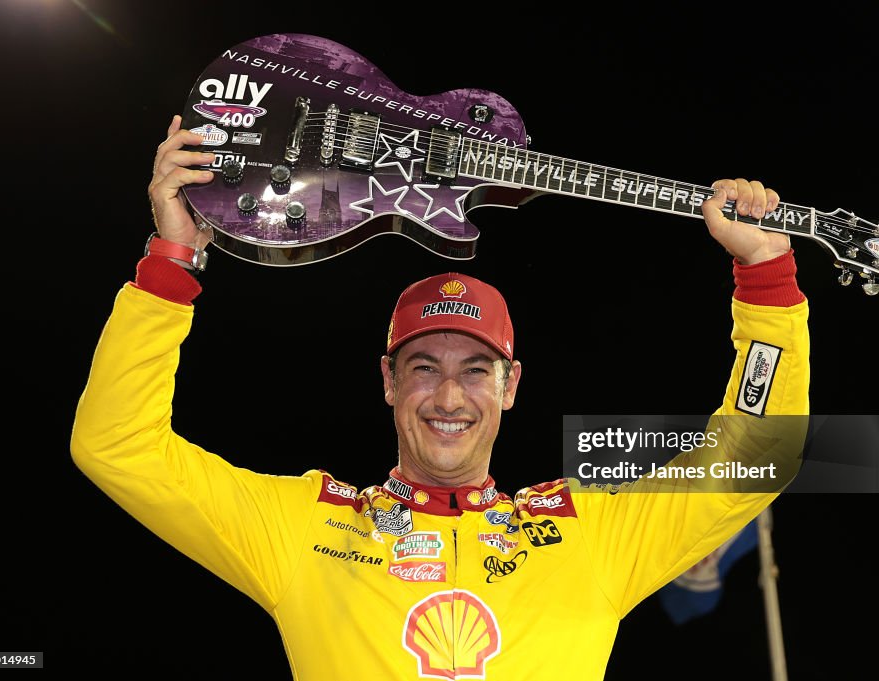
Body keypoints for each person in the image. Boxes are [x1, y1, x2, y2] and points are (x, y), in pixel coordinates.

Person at [71, 115, 809, 680]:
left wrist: (768, 276)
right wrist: (171, 259)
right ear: (388, 381)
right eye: (423, 366)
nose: (449, 394)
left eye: (477, 369)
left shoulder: (589, 538)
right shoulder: (304, 531)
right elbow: (116, 445)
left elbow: (756, 456)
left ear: (510, 385)